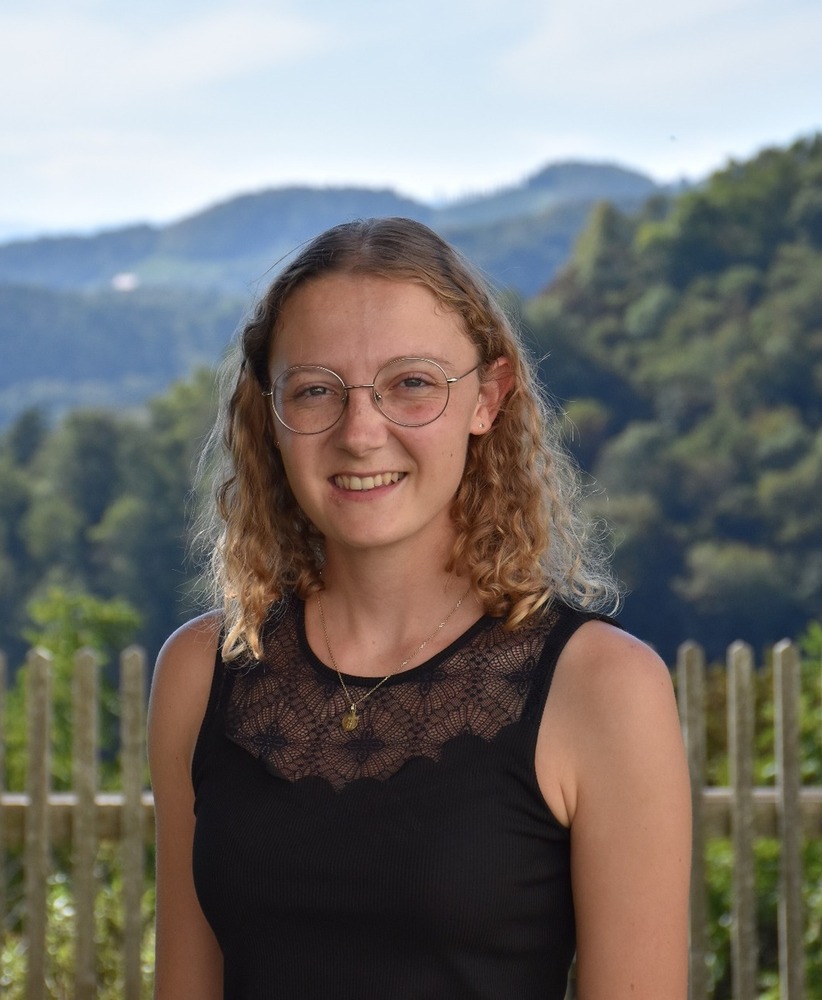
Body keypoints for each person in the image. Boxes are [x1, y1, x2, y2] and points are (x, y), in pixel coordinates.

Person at [147, 217, 691, 1000]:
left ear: (488, 398)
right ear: (269, 414)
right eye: (315, 390)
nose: (361, 433)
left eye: (412, 383)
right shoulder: (201, 672)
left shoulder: (604, 689)